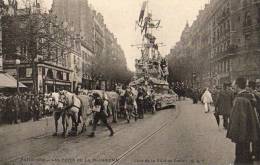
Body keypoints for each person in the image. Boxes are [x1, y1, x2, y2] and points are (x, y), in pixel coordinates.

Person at [227, 77, 260, 164]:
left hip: (242, 133)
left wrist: (237, 133)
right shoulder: (249, 96)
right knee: (246, 151)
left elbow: (240, 118)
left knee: (241, 154)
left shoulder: (240, 99)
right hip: (248, 131)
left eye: (234, 85)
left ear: (237, 85)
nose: (233, 86)